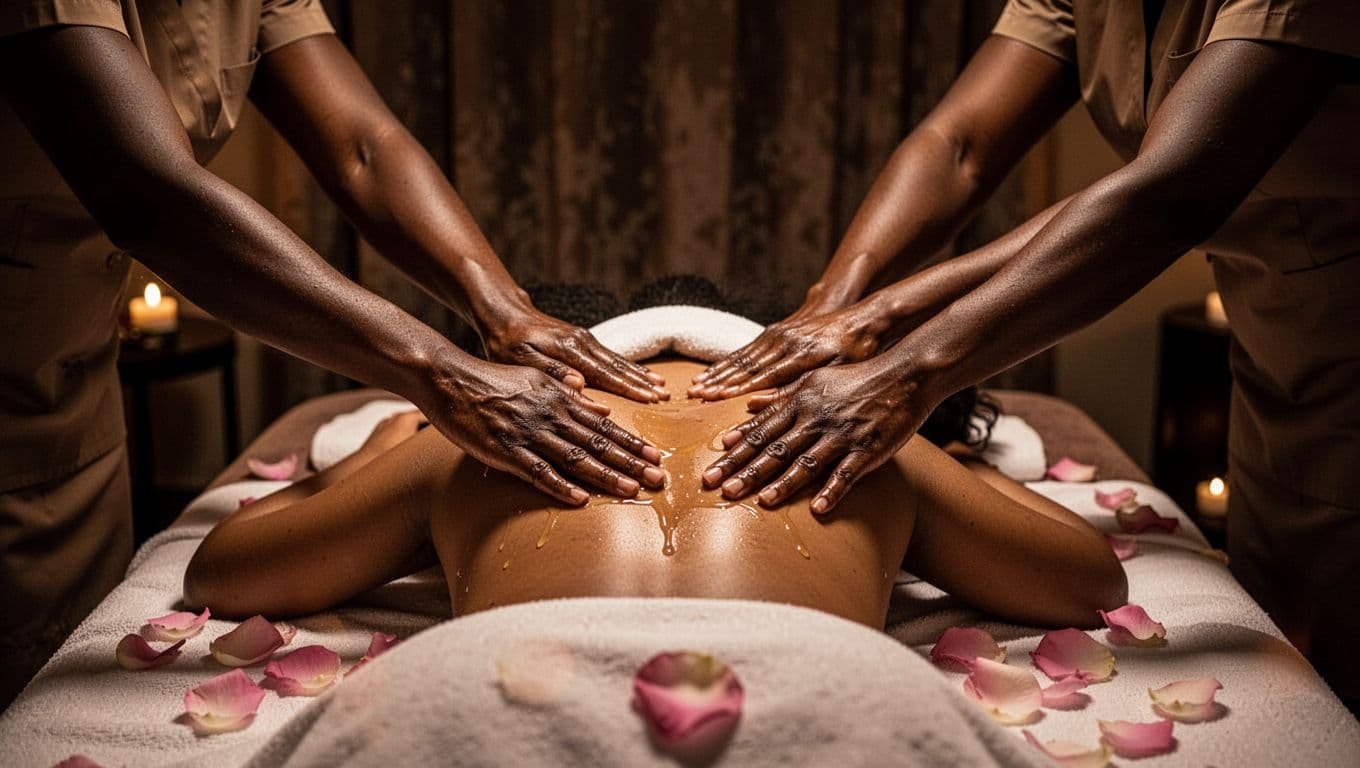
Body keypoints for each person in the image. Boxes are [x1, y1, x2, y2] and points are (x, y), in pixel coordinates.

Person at [0, 0, 666, 705]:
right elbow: (146, 193)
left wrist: (501, 311)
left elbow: (364, 146)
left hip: (71, 381)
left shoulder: (435, 456)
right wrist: (440, 374)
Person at [694, 0, 1359, 703]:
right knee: (1298, 631)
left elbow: (1168, 192)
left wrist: (902, 362)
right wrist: (834, 302)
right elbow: (960, 143)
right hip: (1277, 337)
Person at [184, 354, 1127, 630]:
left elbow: (227, 571)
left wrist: (386, 444)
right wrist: (943, 455)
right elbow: (1090, 582)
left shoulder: (471, 440)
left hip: (517, 691)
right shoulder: (856, 441)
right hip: (816, 705)